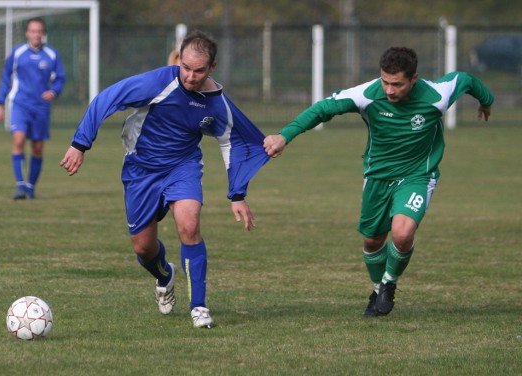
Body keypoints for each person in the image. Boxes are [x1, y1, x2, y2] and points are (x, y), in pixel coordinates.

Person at [263, 46, 494, 317]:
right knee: (373, 240)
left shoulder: (437, 96)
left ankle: (388, 284)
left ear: (414, 79)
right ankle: (377, 287)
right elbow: (323, 109)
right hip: (377, 177)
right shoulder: (366, 95)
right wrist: (284, 135)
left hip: (417, 175)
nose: (389, 90)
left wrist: (486, 100)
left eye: (397, 84)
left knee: (402, 233)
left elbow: (466, 79)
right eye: (385, 81)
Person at [60, 31, 269, 328]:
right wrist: (80, 144)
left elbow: (234, 141)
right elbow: (108, 98)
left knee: (189, 223)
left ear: (212, 67)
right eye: (185, 67)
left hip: (182, 167)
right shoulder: (159, 82)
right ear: (179, 59)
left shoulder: (217, 103)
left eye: (198, 70)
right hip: (141, 170)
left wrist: (237, 194)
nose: (190, 76)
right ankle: (164, 275)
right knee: (144, 249)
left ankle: (199, 306)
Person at [0, 17, 66, 200]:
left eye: (39, 31)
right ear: (27, 33)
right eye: (32, 31)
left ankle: (30, 187)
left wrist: (54, 92)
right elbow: (6, 77)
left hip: (41, 107)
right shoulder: (18, 53)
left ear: (44, 34)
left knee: (37, 148)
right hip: (20, 104)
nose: (36, 35)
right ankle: (19, 185)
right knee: (18, 141)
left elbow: (60, 78)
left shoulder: (51, 54)